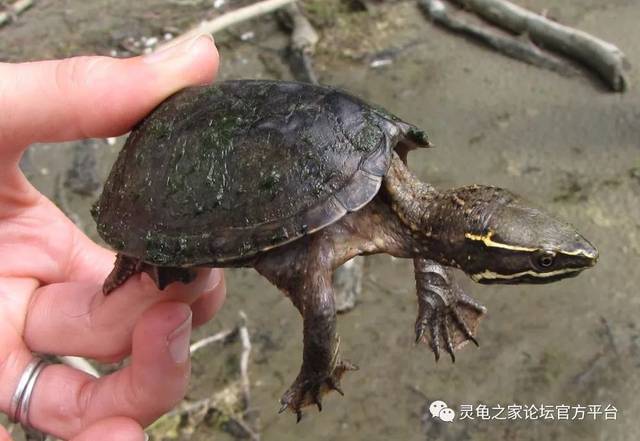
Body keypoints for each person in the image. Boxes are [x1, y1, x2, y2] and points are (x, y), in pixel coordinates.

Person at [0, 34, 225, 441]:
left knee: (168, 295)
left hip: (164, 214)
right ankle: (142, 261)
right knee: (161, 292)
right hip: (146, 213)